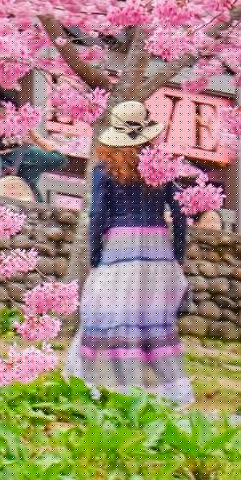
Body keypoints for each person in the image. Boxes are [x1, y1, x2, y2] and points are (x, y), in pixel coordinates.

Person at [67, 101, 193, 405]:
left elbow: (98, 215)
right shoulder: (164, 168)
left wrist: (95, 256)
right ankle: (166, 391)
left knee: (113, 315)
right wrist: (177, 255)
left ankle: (110, 386)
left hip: (118, 250)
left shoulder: (104, 171)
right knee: (153, 319)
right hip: (158, 249)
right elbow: (180, 213)